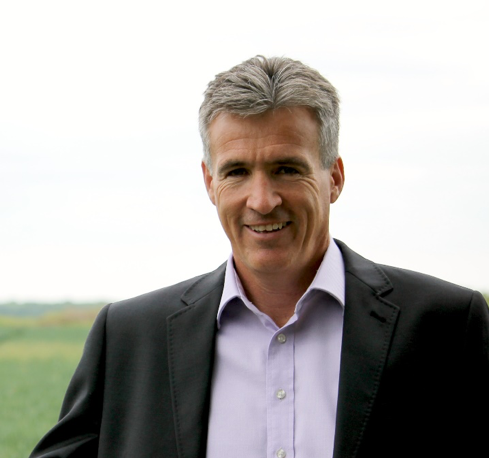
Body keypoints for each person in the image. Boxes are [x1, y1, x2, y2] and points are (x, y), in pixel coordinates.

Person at [31, 56, 488, 458]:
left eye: (286, 169)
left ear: (334, 178)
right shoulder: (129, 337)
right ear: (210, 183)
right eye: (237, 172)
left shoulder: (446, 326)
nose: (262, 200)